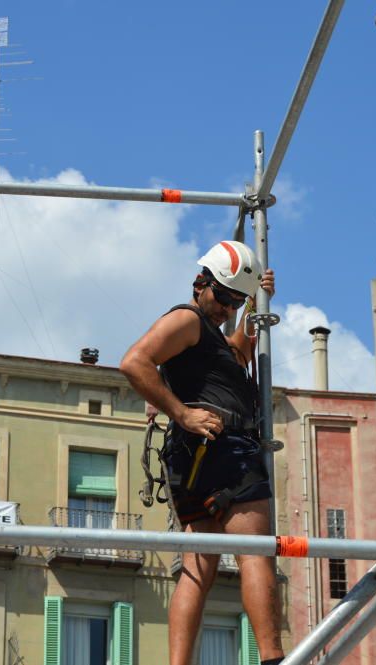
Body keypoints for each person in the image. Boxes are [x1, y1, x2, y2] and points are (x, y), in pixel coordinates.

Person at [120, 240, 283, 665]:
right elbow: (135, 362)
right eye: (224, 297)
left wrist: (255, 304)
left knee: (199, 565)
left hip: (195, 458)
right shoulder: (187, 318)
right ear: (201, 283)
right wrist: (183, 413)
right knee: (256, 551)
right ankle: (272, 658)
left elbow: (240, 350)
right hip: (221, 448)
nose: (227, 308)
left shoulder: (212, 337)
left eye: (235, 301)